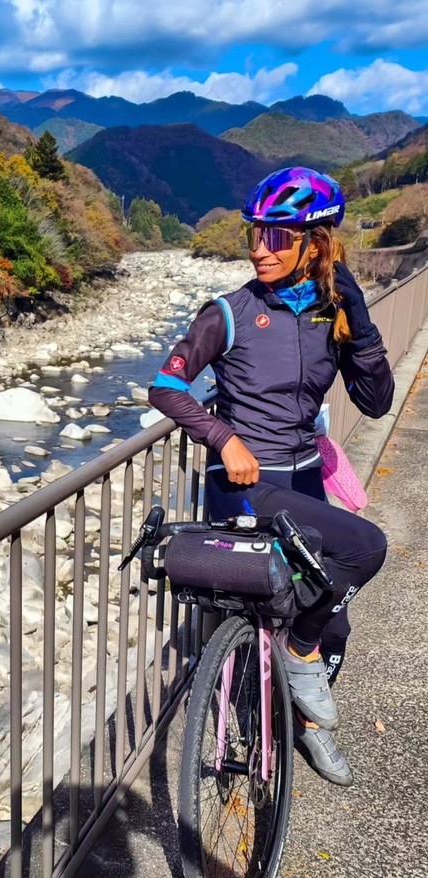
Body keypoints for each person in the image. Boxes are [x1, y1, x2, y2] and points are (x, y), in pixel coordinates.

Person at [149, 167, 394, 786]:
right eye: (255, 233)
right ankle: (268, 691)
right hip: (244, 485)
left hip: (304, 480)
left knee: (330, 617)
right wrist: (223, 437)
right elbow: (167, 387)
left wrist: (359, 319)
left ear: (316, 243)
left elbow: (376, 402)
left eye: (279, 236)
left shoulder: (333, 314)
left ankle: (302, 721)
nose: (261, 248)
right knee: (365, 548)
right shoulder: (228, 313)